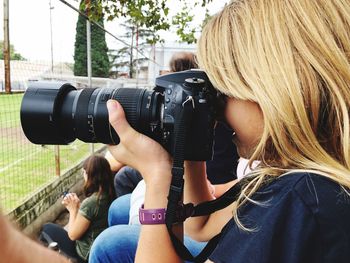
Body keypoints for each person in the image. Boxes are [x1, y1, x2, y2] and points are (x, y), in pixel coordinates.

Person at [104, 1, 350, 262]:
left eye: (222, 91)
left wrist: (157, 175)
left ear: (272, 88)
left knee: (110, 245)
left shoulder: (299, 198)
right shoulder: (297, 176)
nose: (215, 109)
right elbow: (201, 224)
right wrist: (187, 139)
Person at [40, 154, 115, 262]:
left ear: (89, 175)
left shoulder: (92, 202)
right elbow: (93, 218)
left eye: (84, 172)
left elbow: (73, 235)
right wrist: (79, 207)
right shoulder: (110, 193)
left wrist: (72, 210)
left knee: (46, 228)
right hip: (100, 248)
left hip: (85, 254)